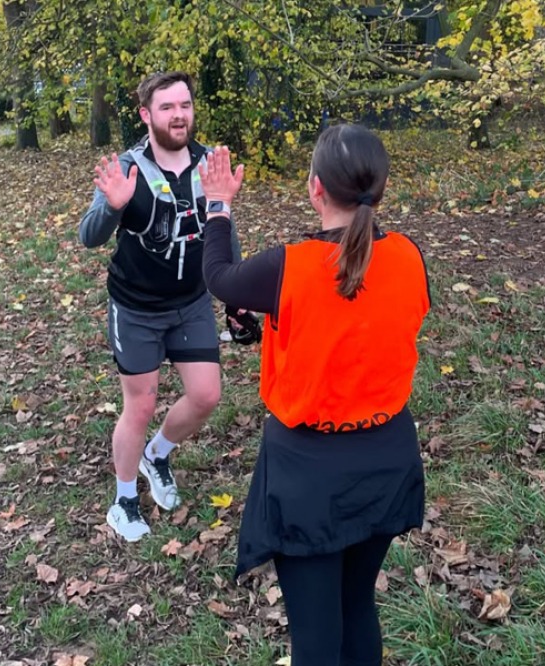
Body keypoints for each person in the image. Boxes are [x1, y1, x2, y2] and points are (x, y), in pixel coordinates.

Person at [201, 126, 431, 666]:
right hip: (387, 459)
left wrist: (218, 205)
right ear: (379, 187)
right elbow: (370, 314)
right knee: (358, 605)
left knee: (315, 635)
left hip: (308, 473)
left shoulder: (288, 265)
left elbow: (219, 276)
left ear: (315, 188)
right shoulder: (409, 256)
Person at [78, 72, 243, 542]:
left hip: (191, 303)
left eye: (185, 105)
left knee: (206, 396)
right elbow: (89, 236)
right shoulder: (128, 168)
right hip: (136, 307)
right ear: (146, 115)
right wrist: (113, 206)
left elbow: (224, 231)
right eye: (167, 107)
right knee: (141, 403)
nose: (178, 115)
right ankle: (124, 500)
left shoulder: (209, 164)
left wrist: (235, 297)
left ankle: (157, 454)